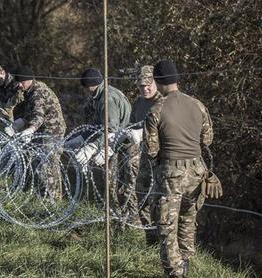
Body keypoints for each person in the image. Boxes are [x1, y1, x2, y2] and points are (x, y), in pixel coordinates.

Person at [143, 60, 214, 277]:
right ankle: (185, 261)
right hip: (196, 170)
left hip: (171, 173)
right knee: (188, 219)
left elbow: (151, 150)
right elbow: (208, 139)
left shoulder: (156, 110)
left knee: (166, 227)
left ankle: (174, 271)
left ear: (158, 81)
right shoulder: (197, 104)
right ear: (177, 79)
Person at [71, 68, 131, 215]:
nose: (85, 91)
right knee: (107, 180)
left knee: (113, 183)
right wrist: (81, 138)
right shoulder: (101, 95)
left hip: (120, 143)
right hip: (113, 141)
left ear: (91, 85)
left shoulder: (107, 99)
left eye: (86, 88)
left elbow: (111, 129)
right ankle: (108, 213)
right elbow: (97, 126)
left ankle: (116, 215)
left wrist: (93, 147)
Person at [6, 65, 66, 200]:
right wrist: (20, 122)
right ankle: (42, 195)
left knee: (47, 164)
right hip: (43, 129)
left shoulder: (38, 92)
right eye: (18, 82)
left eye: (22, 82)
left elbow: (39, 115)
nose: (20, 85)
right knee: (38, 162)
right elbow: (31, 112)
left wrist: (30, 130)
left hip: (52, 130)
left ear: (29, 80)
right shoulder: (30, 90)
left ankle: (52, 199)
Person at [126, 65, 163, 243]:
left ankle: (163, 239)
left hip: (160, 159)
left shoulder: (162, 102)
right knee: (142, 197)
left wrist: (143, 133)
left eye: (149, 85)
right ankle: (151, 238)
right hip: (143, 159)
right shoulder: (139, 103)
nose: (145, 89)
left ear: (156, 83)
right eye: (141, 86)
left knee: (159, 201)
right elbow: (132, 124)